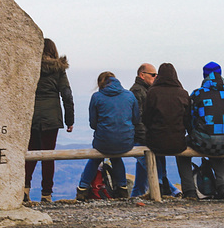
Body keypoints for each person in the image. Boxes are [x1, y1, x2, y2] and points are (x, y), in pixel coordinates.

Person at [174, 62, 224, 199]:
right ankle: (223, 185)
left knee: (182, 151)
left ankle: (189, 190)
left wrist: (195, 133)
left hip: (204, 140)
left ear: (204, 75)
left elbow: (190, 120)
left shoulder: (197, 94)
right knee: (219, 141)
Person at [24, 39, 75, 202]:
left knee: (31, 152)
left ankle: (24, 190)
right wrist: (69, 120)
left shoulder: (30, 67)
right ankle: (46, 194)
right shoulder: (59, 69)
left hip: (31, 115)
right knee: (48, 155)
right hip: (52, 117)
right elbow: (66, 95)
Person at [76, 72, 139, 201]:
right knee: (116, 158)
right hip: (125, 141)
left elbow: (93, 123)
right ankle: (122, 188)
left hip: (103, 141)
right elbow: (136, 119)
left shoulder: (97, 97)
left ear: (100, 83)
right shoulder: (129, 95)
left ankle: (82, 189)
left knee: (95, 158)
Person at [129, 63, 181, 197]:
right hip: (141, 139)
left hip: (147, 138)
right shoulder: (137, 91)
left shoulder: (148, 90)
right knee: (154, 169)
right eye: (153, 75)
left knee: (143, 173)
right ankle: (174, 192)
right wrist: (147, 137)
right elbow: (138, 119)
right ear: (142, 75)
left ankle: (135, 196)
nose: (156, 77)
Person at [142, 63, 190, 196]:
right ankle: (188, 190)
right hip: (178, 143)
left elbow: (146, 118)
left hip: (155, 142)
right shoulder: (183, 93)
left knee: (155, 148)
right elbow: (188, 120)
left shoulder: (152, 93)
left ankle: (162, 185)